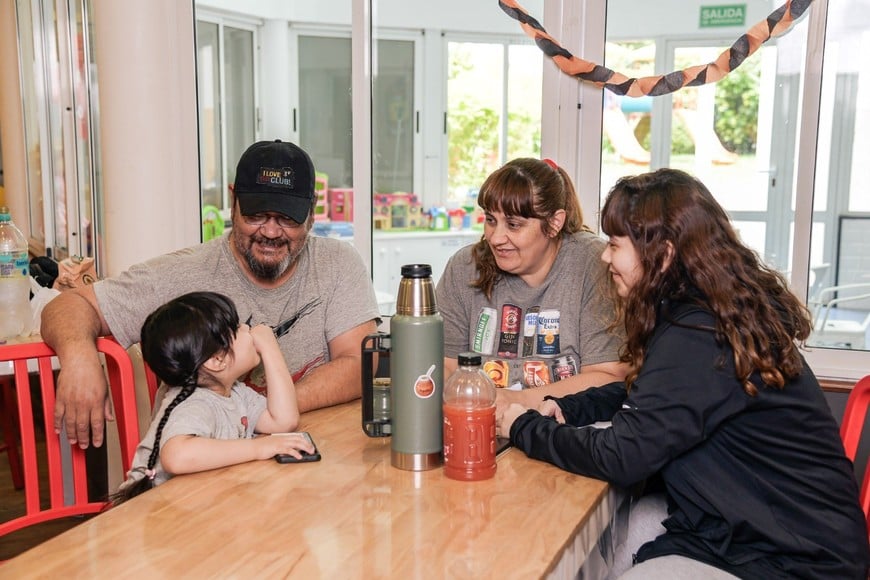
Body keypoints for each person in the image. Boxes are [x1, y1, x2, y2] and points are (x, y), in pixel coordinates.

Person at [499, 168, 869, 579]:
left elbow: (622, 457)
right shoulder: (705, 314)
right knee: (629, 528)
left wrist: (522, 426)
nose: (605, 257)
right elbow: (649, 393)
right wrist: (569, 408)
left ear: (664, 254)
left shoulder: (699, 333)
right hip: (753, 526)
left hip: (794, 560)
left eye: (616, 245)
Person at [42, 140, 380, 449]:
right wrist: (79, 358)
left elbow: (361, 364)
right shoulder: (184, 272)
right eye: (256, 214)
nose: (270, 231)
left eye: (287, 218)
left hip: (301, 458)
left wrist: (269, 409)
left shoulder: (337, 263)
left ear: (311, 212)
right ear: (233, 202)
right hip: (200, 471)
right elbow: (70, 305)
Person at [436, 157, 627, 412]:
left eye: (513, 225)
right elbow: (445, 367)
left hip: (566, 430)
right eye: (491, 220)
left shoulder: (594, 263)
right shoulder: (463, 267)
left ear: (554, 223)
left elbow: (609, 377)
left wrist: (516, 402)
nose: (495, 238)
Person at [113, 292, 314, 503]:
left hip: (195, 502)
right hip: (153, 511)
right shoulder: (194, 404)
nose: (247, 328)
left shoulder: (235, 392)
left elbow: (284, 421)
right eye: (237, 327)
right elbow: (176, 457)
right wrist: (259, 448)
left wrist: (271, 349)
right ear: (217, 360)